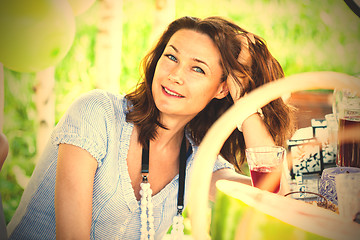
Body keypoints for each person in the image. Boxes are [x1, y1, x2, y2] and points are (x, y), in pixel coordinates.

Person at [7, 16, 294, 239]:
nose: (174, 75)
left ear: (222, 89)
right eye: (171, 57)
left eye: (197, 69)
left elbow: (272, 196)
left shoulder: (196, 160)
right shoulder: (97, 114)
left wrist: (244, 106)